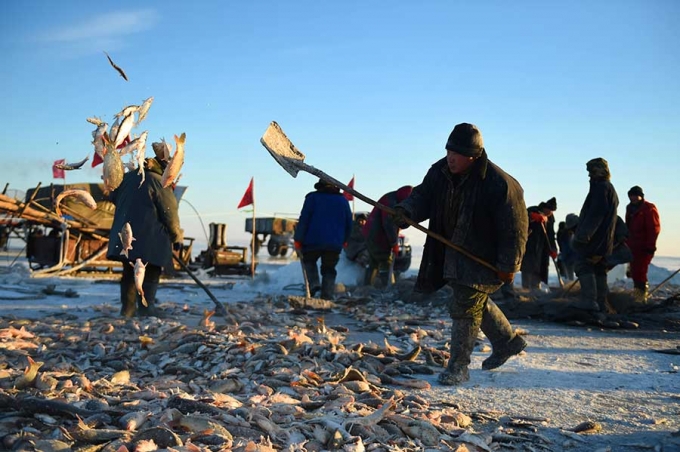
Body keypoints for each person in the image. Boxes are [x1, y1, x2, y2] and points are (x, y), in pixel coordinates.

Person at [392, 123, 528, 385]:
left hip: (483, 255)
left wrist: (509, 264)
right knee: (471, 298)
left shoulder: (499, 184)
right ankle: (506, 341)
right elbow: (423, 196)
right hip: (451, 250)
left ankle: (458, 367)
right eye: (448, 152)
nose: (451, 158)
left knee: (466, 304)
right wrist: (407, 210)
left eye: (458, 154)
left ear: (474, 156)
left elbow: (515, 229)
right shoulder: (439, 171)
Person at [107, 142, 183, 318]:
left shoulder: (128, 178)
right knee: (150, 273)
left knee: (129, 273)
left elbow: (113, 197)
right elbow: (169, 213)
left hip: (126, 235)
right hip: (151, 238)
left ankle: (127, 310)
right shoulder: (158, 182)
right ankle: (146, 309)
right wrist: (177, 238)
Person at [572, 158, 619, 313]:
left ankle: (589, 301)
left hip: (594, 241)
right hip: (603, 241)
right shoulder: (608, 188)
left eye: (591, 172)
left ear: (600, 170)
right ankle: (601, 303)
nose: (590, 176)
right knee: (599, 269)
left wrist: (583, 236)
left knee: (583, 265)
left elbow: (595, 215)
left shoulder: (601, 188)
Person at [294, 179, 353, 300]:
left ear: (319, 186)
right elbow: (349, 224)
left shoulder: (312, 198)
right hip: (334, 243)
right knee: (329, 269)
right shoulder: (343, 201)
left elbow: (304, 220)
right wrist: (345, 240)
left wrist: (298, 239)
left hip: (312, 241)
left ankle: (314, 285)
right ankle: (327, 295)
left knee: (309, 262)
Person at [362, 186, 413, 286]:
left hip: (371, 234)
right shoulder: (390, 204)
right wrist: (394, 243)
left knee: (374, 262)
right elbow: (388, 224)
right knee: (385, 261)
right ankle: (385, 287)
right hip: (377, 237)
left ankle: (367, 287)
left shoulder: (392, 198)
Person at [625, 185, 661, 301]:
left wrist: (650, 246)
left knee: (640, 272)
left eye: (636, 196)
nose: (633, 198)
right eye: (631, 196)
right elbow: (628, 227)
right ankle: (638, 297)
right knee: (635, 272)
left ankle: (640, 299)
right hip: (632, 246)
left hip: (644, 247)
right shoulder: (630, 209)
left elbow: (653, 228)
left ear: (641, 196)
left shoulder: (649, 209)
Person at [520, 198, 557, 291]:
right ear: (545, 208)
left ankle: (536, 287)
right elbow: (522, 219)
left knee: (539, 267)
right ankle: (525, 287)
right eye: (550, 210)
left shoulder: (550, 218)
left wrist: (553, 249)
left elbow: (551, 235)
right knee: (527, 266)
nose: (550, 213)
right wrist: (532, 217)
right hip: (529, 244)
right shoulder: (533, 210)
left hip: (542, 247)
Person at [556, 213, 579, 281]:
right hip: (570, 259)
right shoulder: (566, 235)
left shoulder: (572, 233)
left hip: (573, 258)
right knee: (569, 275)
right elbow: (566, 248)